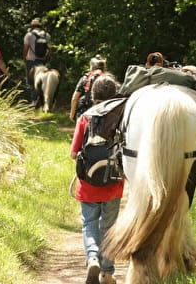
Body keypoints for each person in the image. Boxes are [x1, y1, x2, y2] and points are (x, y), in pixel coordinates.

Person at [70, 74, 124, 284]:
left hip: (88, 184)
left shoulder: (85, 117)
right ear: (115, 94)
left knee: (89, 223)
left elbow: (74, 154)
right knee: (109, 228)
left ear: (93, 95)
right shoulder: (120, 115)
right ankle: (107, 273)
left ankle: (92, 257)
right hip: (113, 183)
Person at [69, 55, 106, 122]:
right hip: (101, 113)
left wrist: (72, 113)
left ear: (91, 67)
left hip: (84, 113)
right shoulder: (107, 79)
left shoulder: (85, 78)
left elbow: (75, 98)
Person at [23, 17, 51, 103]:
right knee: (43, 81)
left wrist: (25, 59)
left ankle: (34, 101)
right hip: (42, 61)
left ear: (32, 26)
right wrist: (47, 58)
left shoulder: (29, 35)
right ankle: (42, 100)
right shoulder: (47, 35)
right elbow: (50, 50)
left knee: (32, 81)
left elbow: (26, 48)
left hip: (31, 60)